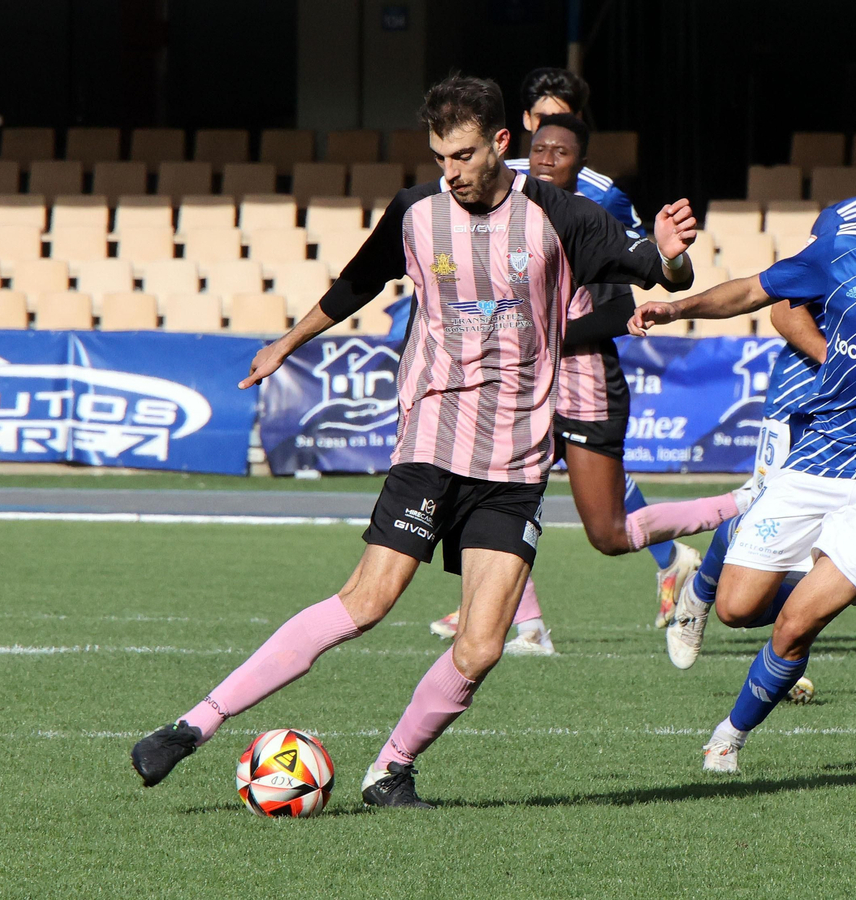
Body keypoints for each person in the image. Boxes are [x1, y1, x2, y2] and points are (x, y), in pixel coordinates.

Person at [130, 74, 698, 808]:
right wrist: (287, 341)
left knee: (483, 646)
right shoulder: (416, 214)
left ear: (502, 144)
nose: (450, 173)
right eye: (439, 157)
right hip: (433, 440)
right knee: (365, 604)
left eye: (462, 156)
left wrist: (672, 254)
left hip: (518, 461)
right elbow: (357, 282)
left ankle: (389, 771)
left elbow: (653, 268)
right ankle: (190, 727)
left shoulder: (561, 217)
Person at [628, 110, 856, 774]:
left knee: (796, 622)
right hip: (823, 451)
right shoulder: (844, 244)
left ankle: (728, 737)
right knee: (740, 606)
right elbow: (758, 290)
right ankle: (746, 588)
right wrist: (677, 307)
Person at [428, 114, 749, 655]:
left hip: (583, 384)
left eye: (562, 151)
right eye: (541, 148)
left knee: (608, 534)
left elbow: (621, 310)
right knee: (479, 503)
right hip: (521, 388)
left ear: (582, 163)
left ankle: (744, 503)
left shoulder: (593, 218)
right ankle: (526, 626)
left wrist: (533, 329)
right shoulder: (503, 211)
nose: (548, 158)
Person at [665, 114, 856, 671]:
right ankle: (699, 595)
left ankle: (792, 633)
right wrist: (840, 363)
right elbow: (784, 305)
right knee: (762, 505)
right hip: (808, 387)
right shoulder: (843, 223)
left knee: (837, 558)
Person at [504, 67, 643, 234]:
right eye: (542, 117)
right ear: (527, 119)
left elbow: (637, 251)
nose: (551, 127)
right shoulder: (503, 176)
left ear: (578, 119)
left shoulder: (602, 193)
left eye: (561, 117)